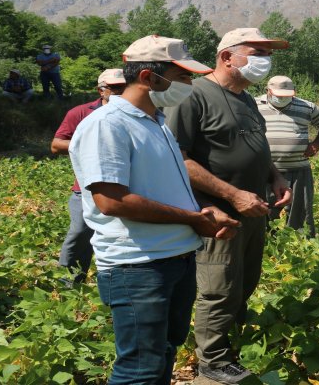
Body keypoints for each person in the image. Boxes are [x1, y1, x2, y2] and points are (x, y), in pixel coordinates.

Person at [69, 35, 240, 384]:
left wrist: (204, 210)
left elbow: (169, 187)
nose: (190, 86)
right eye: (183, 78)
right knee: (139, 369)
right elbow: (111, 200)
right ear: (148, 77)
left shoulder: (157, 122)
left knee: (164, 352)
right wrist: (193, 218)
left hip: (176, 257)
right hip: (137, 266)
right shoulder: (107, 124)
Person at [164, 28, 292, 384]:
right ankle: (212, 361)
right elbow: (179, 159)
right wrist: (231, 195)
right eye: (256, 53)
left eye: (268, 55)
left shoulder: (246, 99)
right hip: (219, 213)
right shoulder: (194, 96)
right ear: (226, 57)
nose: (264, 62)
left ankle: (228, 344)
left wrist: (275, 177)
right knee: (218, 287)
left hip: (253, 208)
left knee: (245, 281)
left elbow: (255, 145)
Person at [50, 68, 126, 284]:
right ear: (101, 90)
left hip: (126, 187)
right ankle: (69, 283)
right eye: (115, 88)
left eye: (124, 87)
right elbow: (56, 145)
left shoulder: (136, 112)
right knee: (80, 234)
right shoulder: (81, 113)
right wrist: (95, 143)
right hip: (86, 188)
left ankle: (117, 282)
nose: (120, 92)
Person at [256, 75, 319, 237]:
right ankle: (267, 244)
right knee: (264, 210)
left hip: (297, 169)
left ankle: (299, 245)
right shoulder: (253, 105)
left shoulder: (306, 107)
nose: (283, 99)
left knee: (299, 211)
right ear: (268, 91)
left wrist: (316, 144)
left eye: (287, 96)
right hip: (263, 171)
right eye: (279, 95)